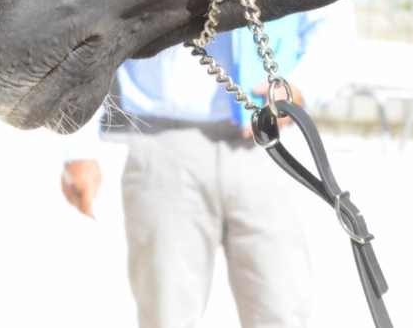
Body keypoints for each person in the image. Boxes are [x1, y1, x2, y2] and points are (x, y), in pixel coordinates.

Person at [62, 16, 318, 328]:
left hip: (266, 144)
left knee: (283, 305)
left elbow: (331, 20)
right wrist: (79, 143)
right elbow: (96, 22)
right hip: (163, 143)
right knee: (166, 310)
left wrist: (303, 87)